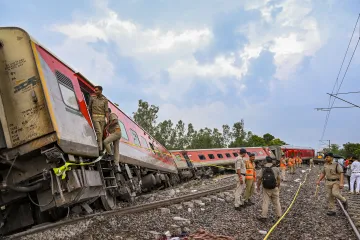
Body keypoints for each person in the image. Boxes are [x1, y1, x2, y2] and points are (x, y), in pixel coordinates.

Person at [257, 156, 282, 222]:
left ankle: (264, 217)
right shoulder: (276, 168)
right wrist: (278, 186)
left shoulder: (262, 169)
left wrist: (258, 187)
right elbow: (279, 179)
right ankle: (279, 216)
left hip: (266, 188)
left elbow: (259, 179)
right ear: (272, 161)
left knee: (265, 202)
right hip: (275, 187)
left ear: (266, 161)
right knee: (276, 202)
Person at [88, 86, 109, 155]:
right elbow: (89, 108)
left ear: (100, 91)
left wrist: (108, 120)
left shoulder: (105, 100)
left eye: (96, 90)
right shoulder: (92, 98)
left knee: (101, 134)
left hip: (102, 119)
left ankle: (100, 148)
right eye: (95, 90)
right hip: (95, 117)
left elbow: (106, 111)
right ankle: (99, 149)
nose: (95, 91)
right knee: (99, 132)